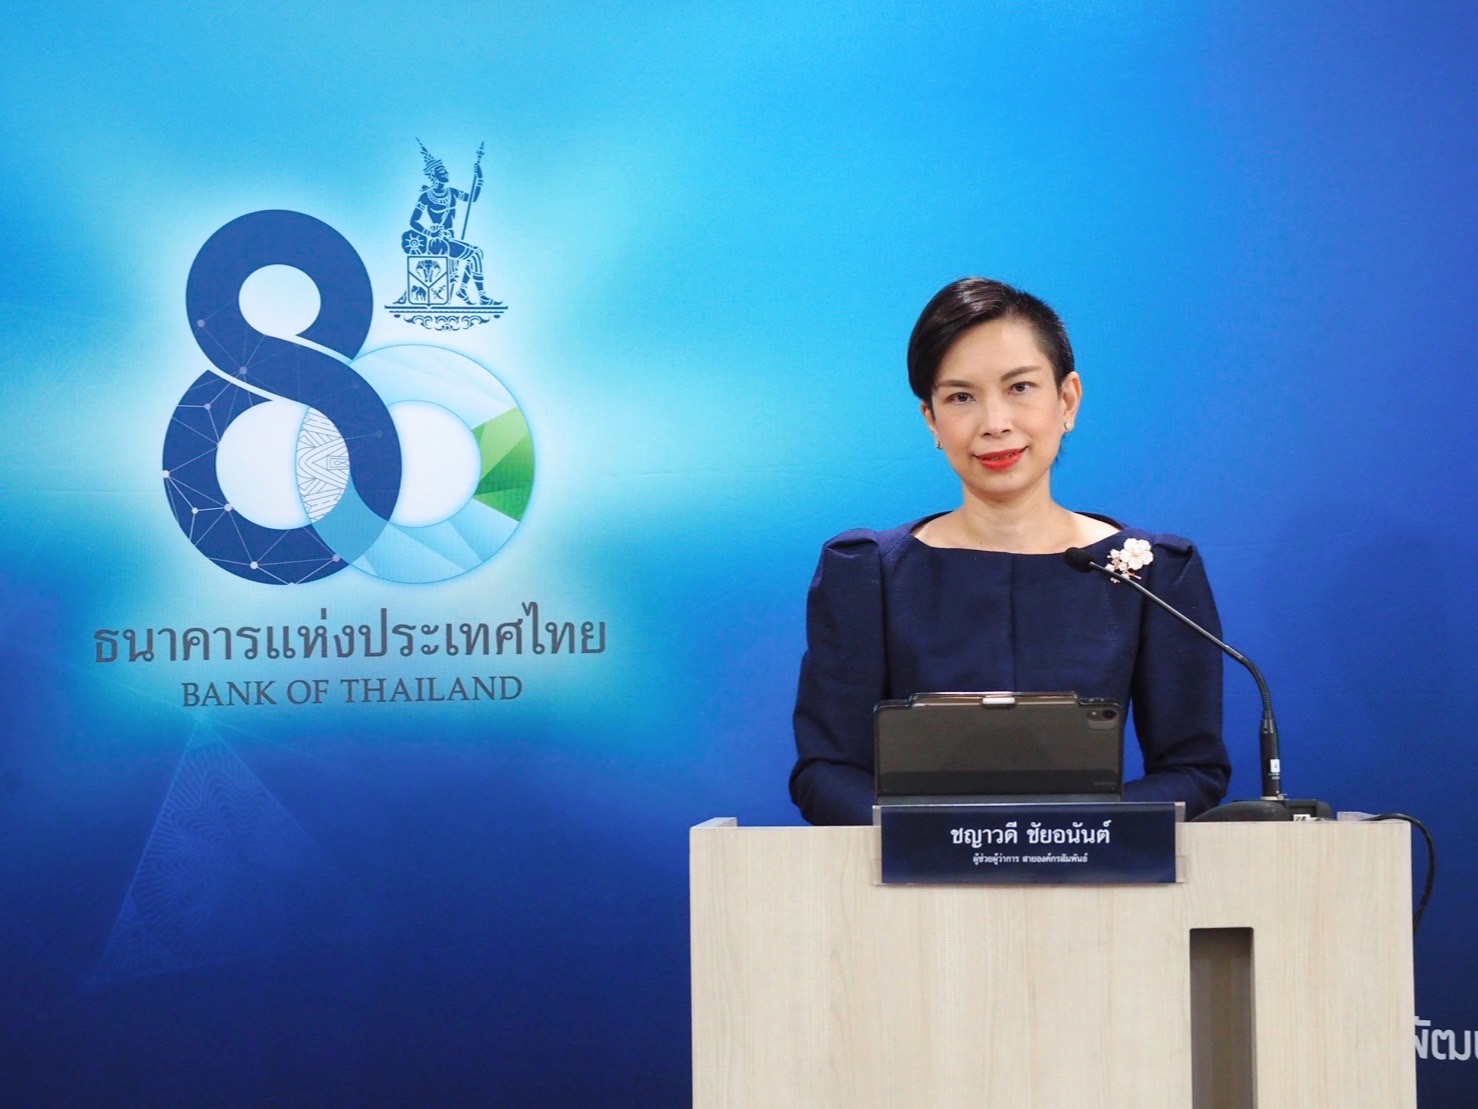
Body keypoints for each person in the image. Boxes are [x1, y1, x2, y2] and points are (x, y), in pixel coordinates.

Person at [789, 277, 1231, 826]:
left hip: (1099, 870)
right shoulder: (867, 573)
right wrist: (944, 837)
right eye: (961, 397)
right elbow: (826, 773)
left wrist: (1072, 833)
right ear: (931, 419)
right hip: (914, 874)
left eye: (1020, 387)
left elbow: (1194, 771)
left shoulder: (1154, 573)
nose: (995, 423)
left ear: (1067, 400)